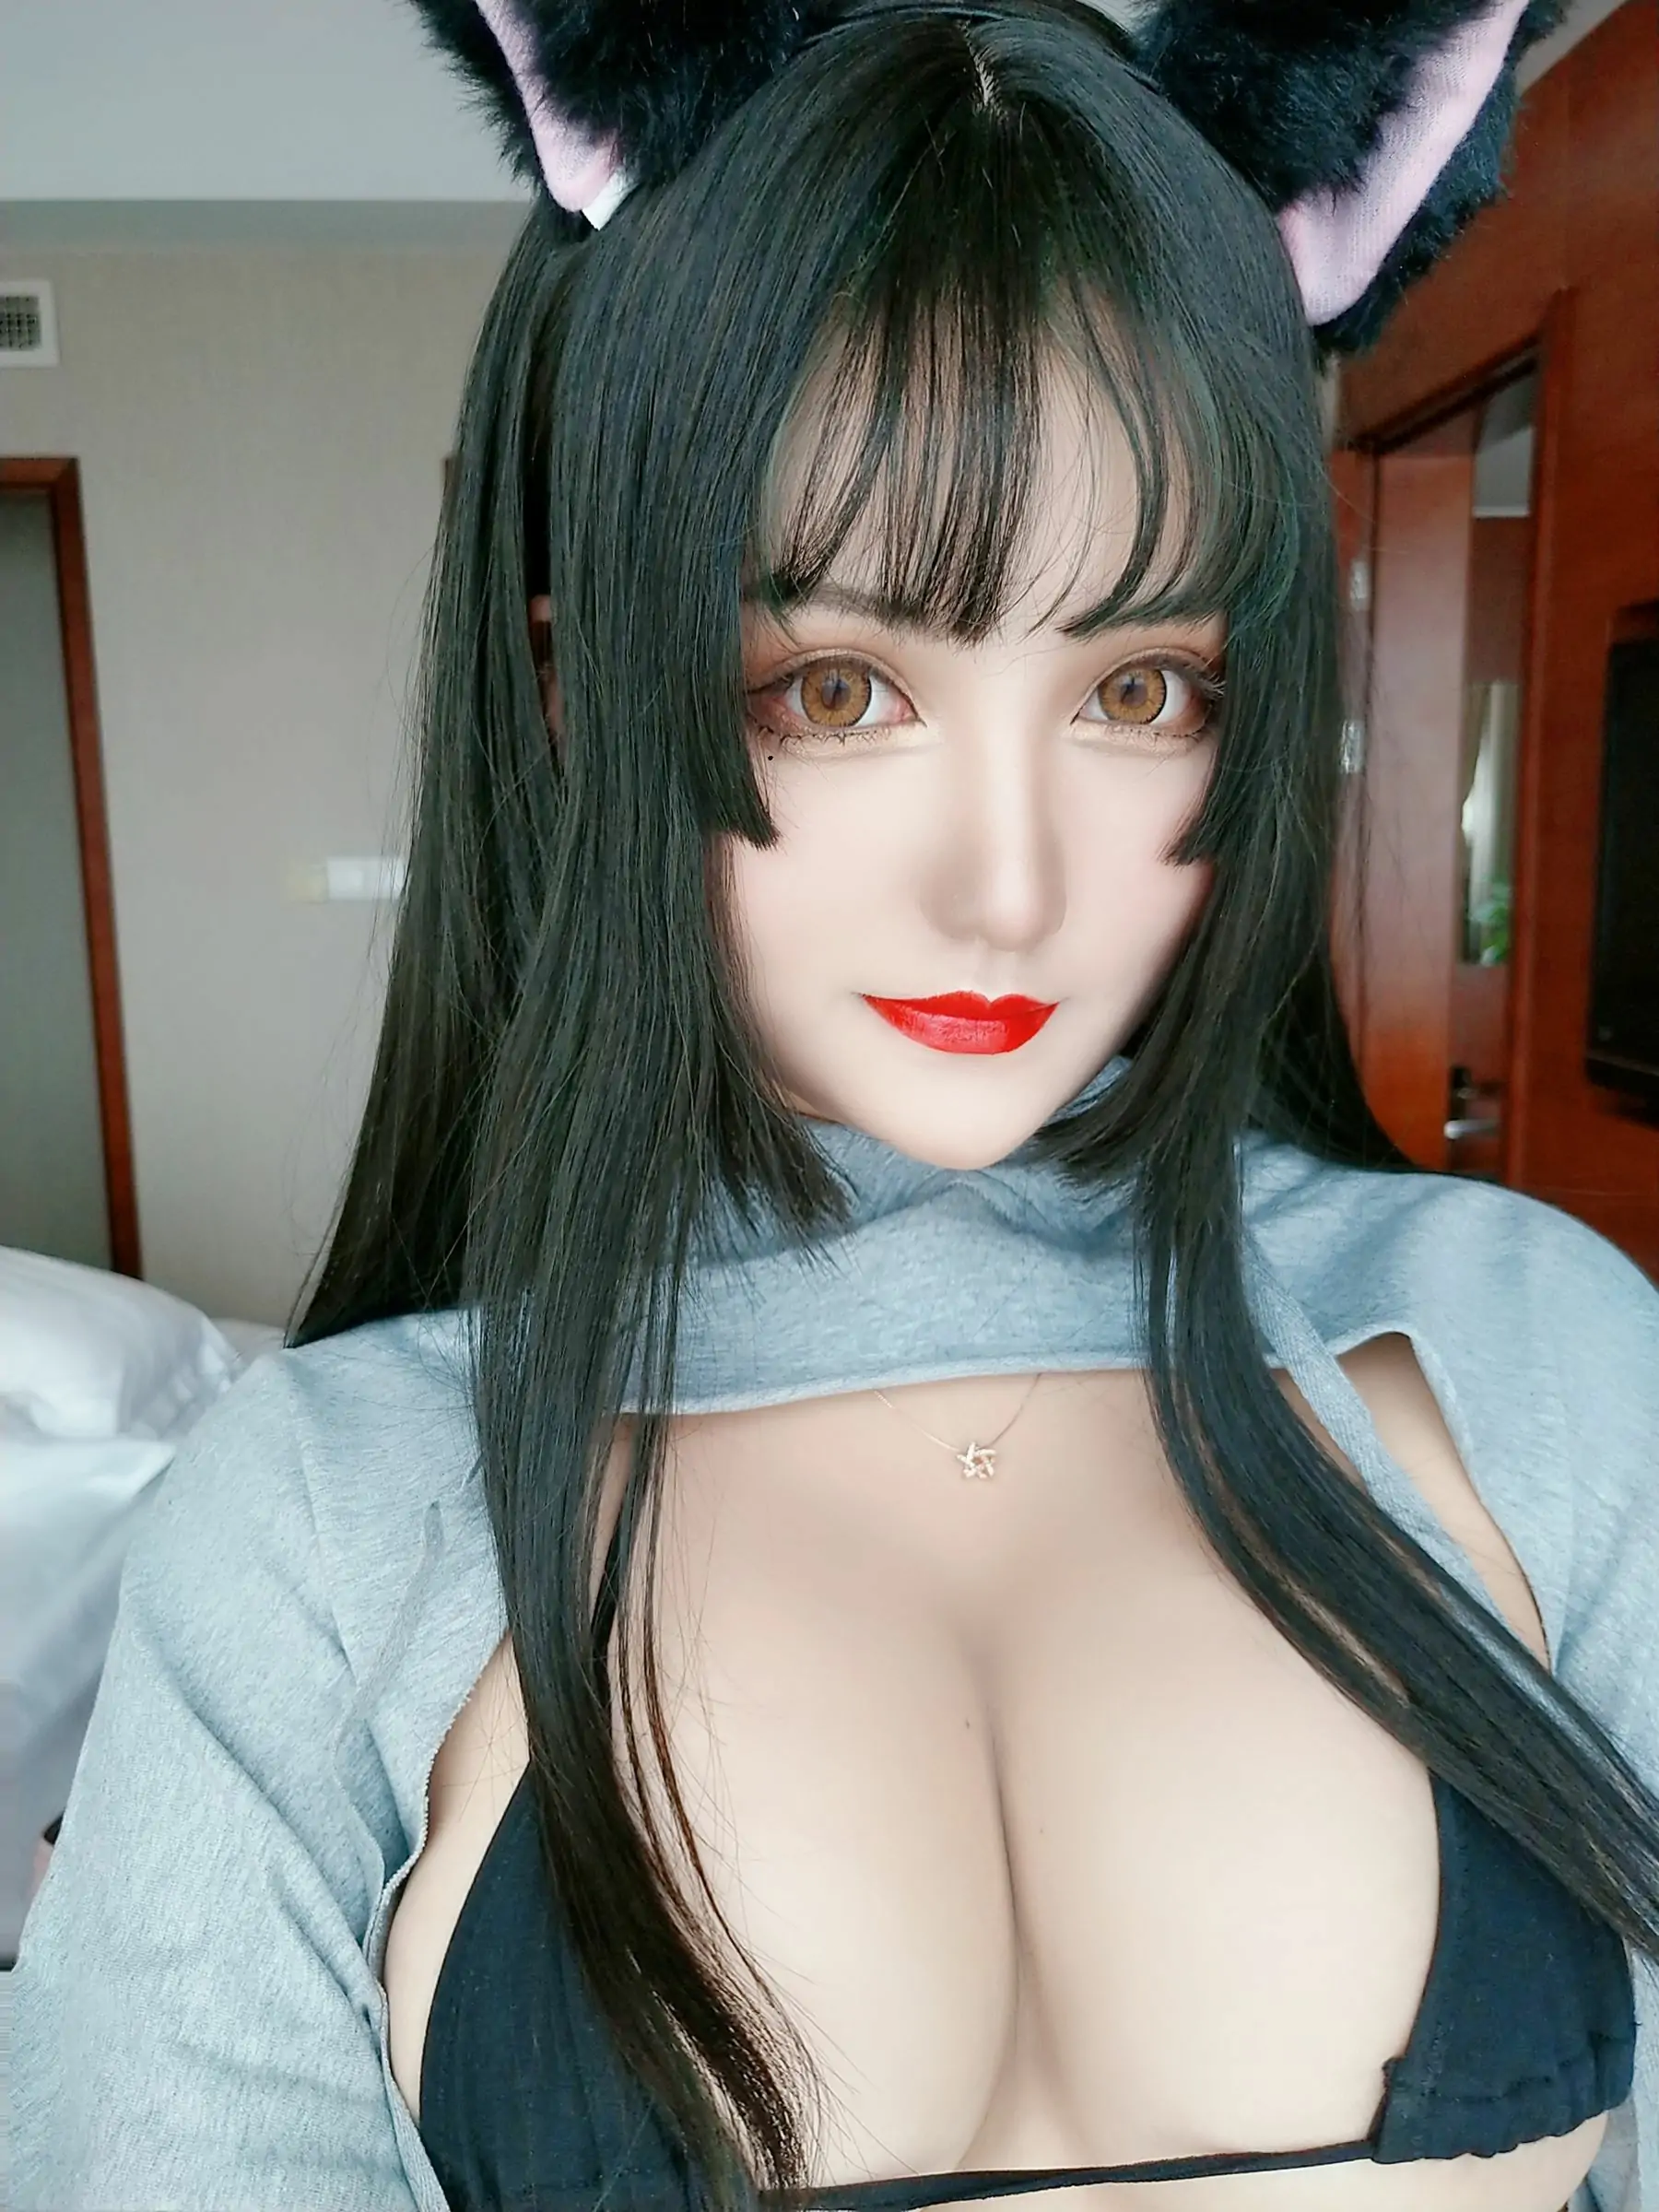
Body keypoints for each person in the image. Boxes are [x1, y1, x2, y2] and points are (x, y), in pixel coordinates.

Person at [12, 1, 1659, 2208]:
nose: (1010, 884)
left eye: (1141, 685)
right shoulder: (318, 1519)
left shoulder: (1543, 1354)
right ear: (582, 698)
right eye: (836, 688)